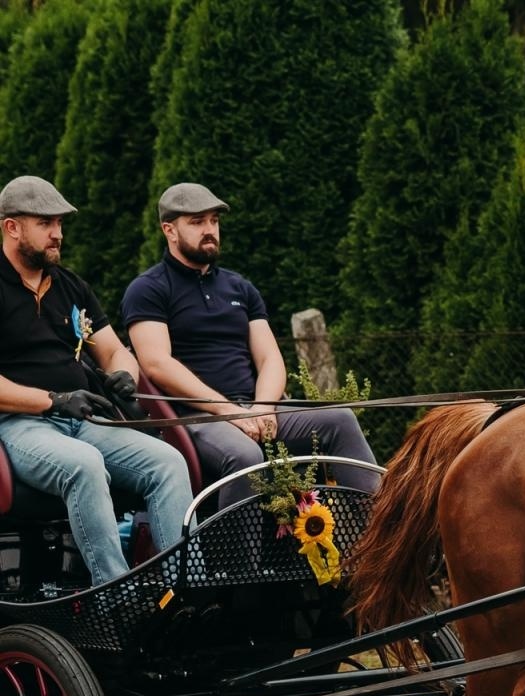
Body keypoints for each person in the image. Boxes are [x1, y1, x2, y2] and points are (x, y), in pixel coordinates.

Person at [122, 182, 379, 510]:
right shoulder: (148, 289)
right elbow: (156, 362)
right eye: (197, 222)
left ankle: (378, 545)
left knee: (340, 420)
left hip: (254, 409)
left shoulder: (239, 287)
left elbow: (270, 357)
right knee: (245, 455)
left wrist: (264, 406)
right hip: (195, 418)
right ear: (169, 230)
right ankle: (237, 562)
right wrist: (226, 409)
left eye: (214, 221)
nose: (210, 229)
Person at [0, 176, 193, 588]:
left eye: (60, 224)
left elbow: (113, 350)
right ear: (12, 227)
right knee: (85, 467)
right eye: (46, 223)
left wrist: (125, 374)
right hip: (19, 426)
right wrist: (52, 401)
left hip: (83, 420)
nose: (58, 234)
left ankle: (183, 593)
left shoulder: (69, 285)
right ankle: (114, 597)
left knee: (168, 461)